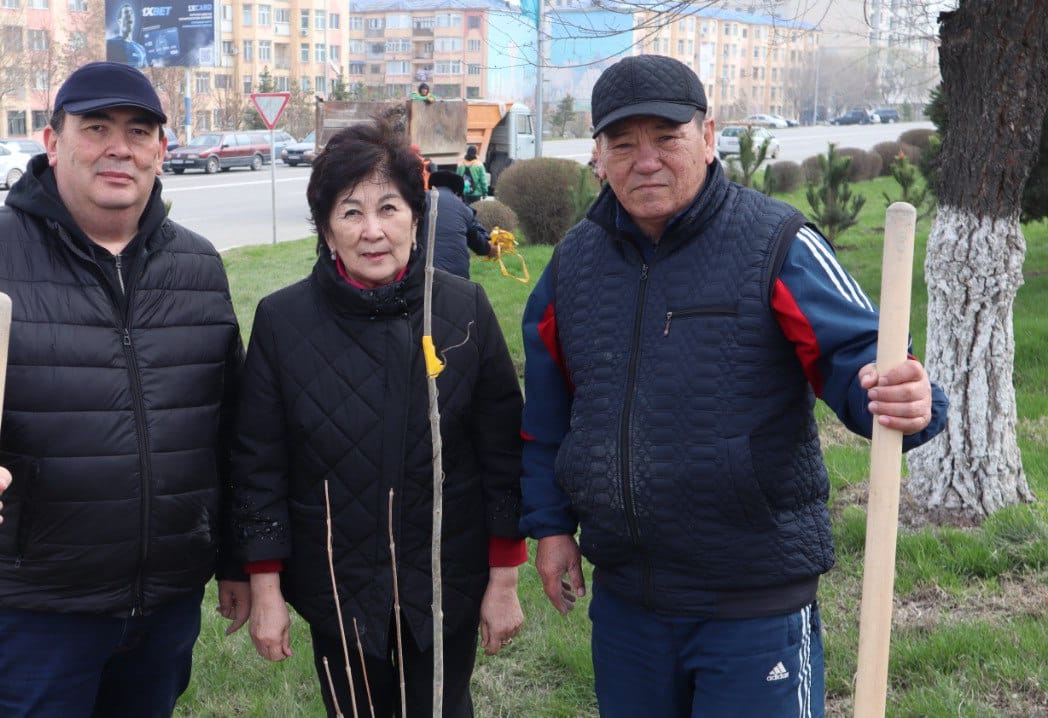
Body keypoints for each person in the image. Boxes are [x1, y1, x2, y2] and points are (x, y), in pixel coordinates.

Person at [519, 54, 949, 718]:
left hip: (753, 602)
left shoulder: (775, 244)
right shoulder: (573, 264)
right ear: (597, 156)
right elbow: (548, 417)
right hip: (628, 604)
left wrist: (905, 397)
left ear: (709, 136)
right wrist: (551, 528)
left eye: (667, 138)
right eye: (623, 144)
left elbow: (861, 357)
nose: (646, 161)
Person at [0, 61, 248, 717]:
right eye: (97, 128)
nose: (120, 148)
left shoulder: (197, 266)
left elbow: (229, 429)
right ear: (53, 143)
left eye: (139, 131)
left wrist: (234, 557)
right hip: (35, 609)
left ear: (160, 150)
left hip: (166, 605)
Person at [231, 117, 526, 718]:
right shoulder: (283, 322)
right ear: (325, 228)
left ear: (416, 219)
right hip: (337, 587)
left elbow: (503, 455)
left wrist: (504, 578)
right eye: (350, 212)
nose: (372, 231)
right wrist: (265, 585)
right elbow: (257, 463)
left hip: (445, 582)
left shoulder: (463, 310)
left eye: (389, 208)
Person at [426, 169, 493, 279]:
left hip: (418, 276)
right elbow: (479, 244)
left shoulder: (417, 201)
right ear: (457, 193)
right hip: (457, 279)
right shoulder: (463, 208)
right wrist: (491, 248)